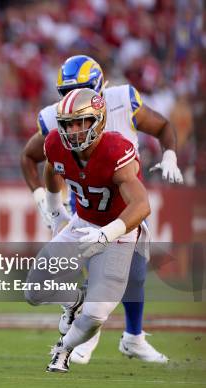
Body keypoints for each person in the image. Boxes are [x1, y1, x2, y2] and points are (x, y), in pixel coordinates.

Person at [20, 55, 176, 364]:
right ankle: (83, 318)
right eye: (66, 92)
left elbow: (141, 200)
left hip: (120, 209)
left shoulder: (120, 107)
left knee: (134, 276)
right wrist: (52, 206)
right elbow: (45, 162)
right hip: (84, 209)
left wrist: (169, 153)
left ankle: (125, 336)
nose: (71, 102)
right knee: (40, 286)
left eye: (79, 90)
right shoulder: (57, 128)